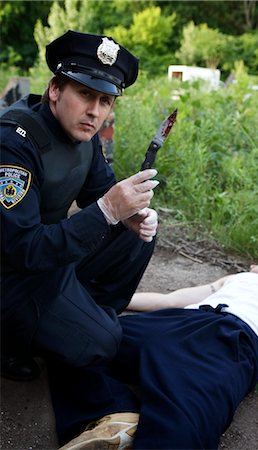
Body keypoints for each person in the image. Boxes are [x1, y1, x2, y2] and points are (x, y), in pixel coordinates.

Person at [0, 30, 159, 381]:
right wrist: (107, 210)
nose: (94, 111)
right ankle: (10, 341)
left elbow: (100, 189)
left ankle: (74, 320)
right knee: (103, 344)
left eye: (105, 101)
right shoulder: (14, 145)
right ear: (55, 89)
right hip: (12, 275)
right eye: (85, 93)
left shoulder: (83, 135)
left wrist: (133, 215)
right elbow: (21, 248)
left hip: (46, 260)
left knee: (136, 234)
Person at [47, 260, 258, 449]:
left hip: (233, 339)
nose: (250, 266)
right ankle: (112, 418)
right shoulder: (237, 279)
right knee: (75, 339)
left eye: (257, 264)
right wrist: (96, 305)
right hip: (179, 321)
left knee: (185, 420)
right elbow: (168, 300)